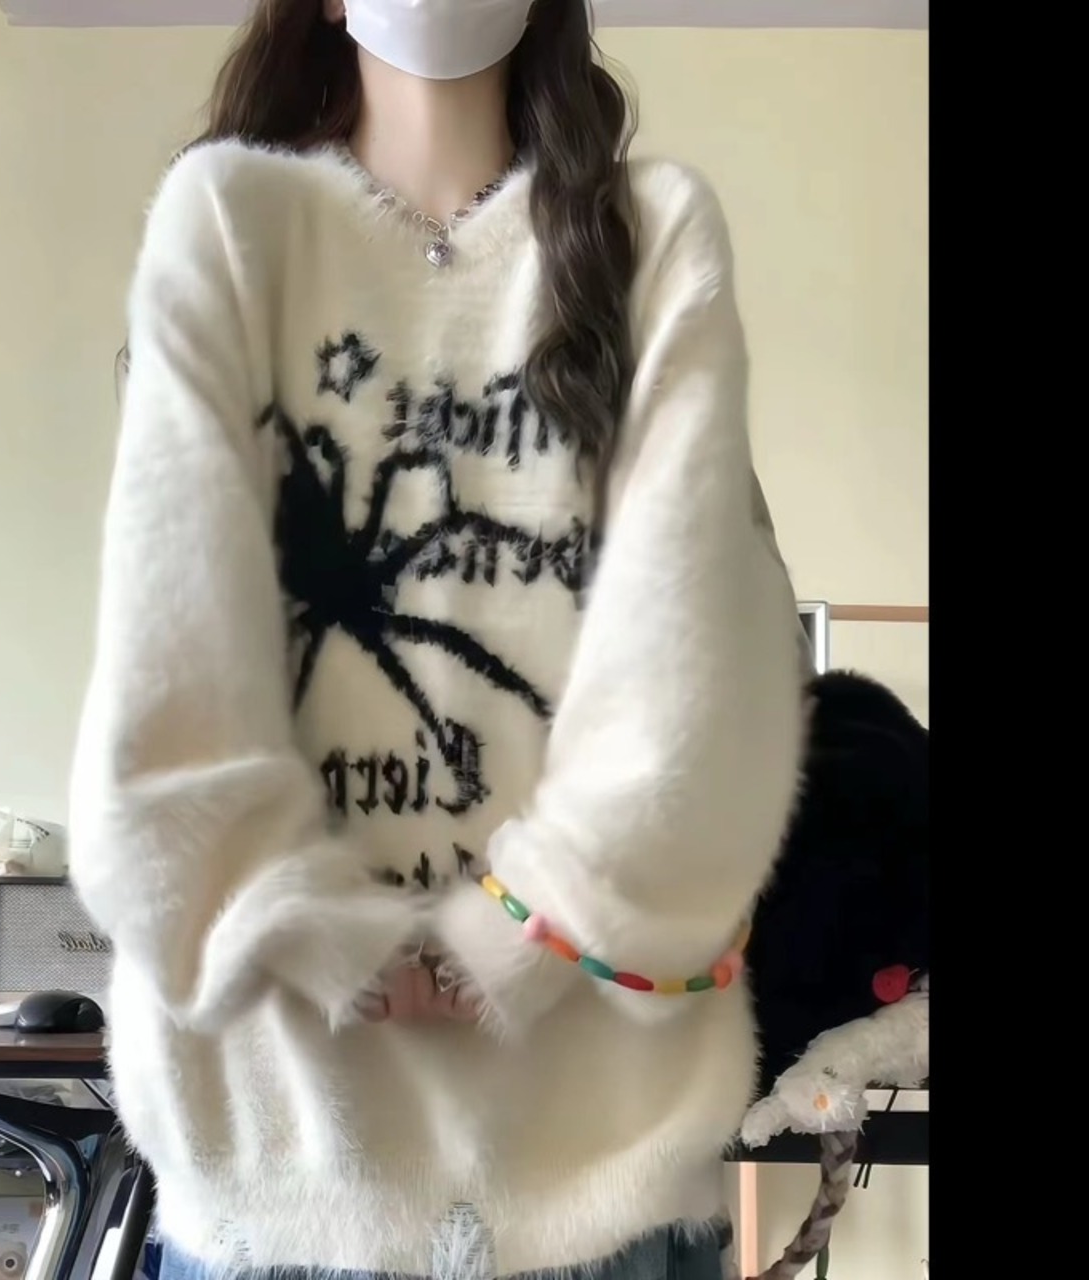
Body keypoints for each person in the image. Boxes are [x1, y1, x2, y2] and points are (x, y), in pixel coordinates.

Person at [69, 2, 807, 1278]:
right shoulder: (230, 220)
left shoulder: (647, 237)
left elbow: (707, 671)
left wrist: (516, 926)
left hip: (593, 1175)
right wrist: (316, 931)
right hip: (276, 1155)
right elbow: (164, 665)